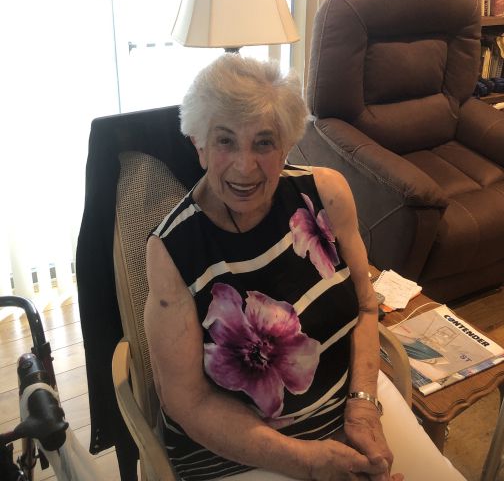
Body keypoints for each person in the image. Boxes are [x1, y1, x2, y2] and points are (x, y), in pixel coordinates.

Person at [144, 54, 466, 481]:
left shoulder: (325, 194)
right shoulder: (171, 250)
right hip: (238, 453)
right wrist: (307, 461)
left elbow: (366, 308)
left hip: (349, 406)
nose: (245, 166)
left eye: (264, 142)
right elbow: (187, 402)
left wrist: (363, 409)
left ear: (286, 144)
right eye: (225, 141)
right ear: (199, 146)